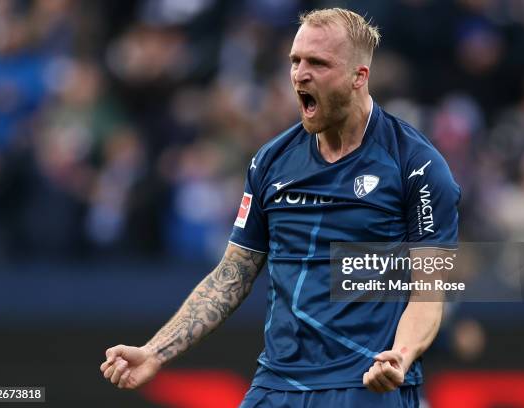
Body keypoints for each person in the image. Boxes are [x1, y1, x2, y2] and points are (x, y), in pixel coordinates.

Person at [100, 8, 460, 407]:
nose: (299, 74)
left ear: (360, 76)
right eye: (295, 60)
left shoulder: (417, 165)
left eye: (317, 63)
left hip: (367, 383)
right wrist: (155, 351)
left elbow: (429, 292)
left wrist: (402, 356)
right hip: (277, 384)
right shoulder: (271, 162)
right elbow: (232, 274)